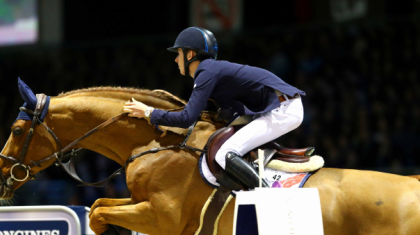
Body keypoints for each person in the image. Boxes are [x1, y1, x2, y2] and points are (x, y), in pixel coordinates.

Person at [124, 27, 306, 189]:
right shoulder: (211, 70)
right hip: (279, 106)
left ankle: (268, 198)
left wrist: (149, 112)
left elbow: (187, 118)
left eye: (178, 53)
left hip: (282, 109)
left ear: (190, 55)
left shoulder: (206, 72)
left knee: (224, 154)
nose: (175, 59)